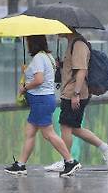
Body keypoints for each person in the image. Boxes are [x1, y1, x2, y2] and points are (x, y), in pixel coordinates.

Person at [5, 35, 81, 177]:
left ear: (33, 43)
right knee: (30, 133)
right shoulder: (47, 57)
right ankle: (21, 165)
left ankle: (70, 161)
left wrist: (25, 87)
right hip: (43, 100)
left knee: (48, 134)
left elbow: (39, 80)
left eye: (28, 41)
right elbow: (42, 76)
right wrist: (27, 71)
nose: (27, 44)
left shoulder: (39, 58)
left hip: (41, 101)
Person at [44, 29, 108, 172]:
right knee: (74, 128)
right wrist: (62, 65)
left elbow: (82, 70)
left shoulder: (78, 44)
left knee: (65, 125)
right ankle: (105, 147)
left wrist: (76, 93)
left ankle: (66, 161)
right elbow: (75, 68)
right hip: (71, 91)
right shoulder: (73, 43)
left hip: (74, 92)